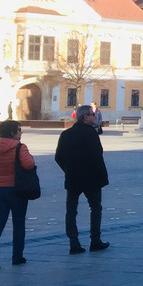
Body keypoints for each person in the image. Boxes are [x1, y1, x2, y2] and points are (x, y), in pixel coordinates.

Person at [54, 104, 110, 254]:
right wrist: (100, 175)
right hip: (91, 179)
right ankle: (95, 240)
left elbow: (58, 157)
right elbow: (97, 155)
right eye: (92, 114)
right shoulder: (90, 134)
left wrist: (68, 170)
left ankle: (74, 243)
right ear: (85, 117)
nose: (94, 116)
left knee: (71, 211)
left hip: (73, 178)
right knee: (95, 208)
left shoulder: (66, 134)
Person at [0, 120, 34, 269]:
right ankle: (17, 256)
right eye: (19, 130)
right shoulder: (20, 148)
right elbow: (28, 165)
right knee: (18, 223)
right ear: (12, 133)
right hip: (17, 190)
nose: (21, 132)